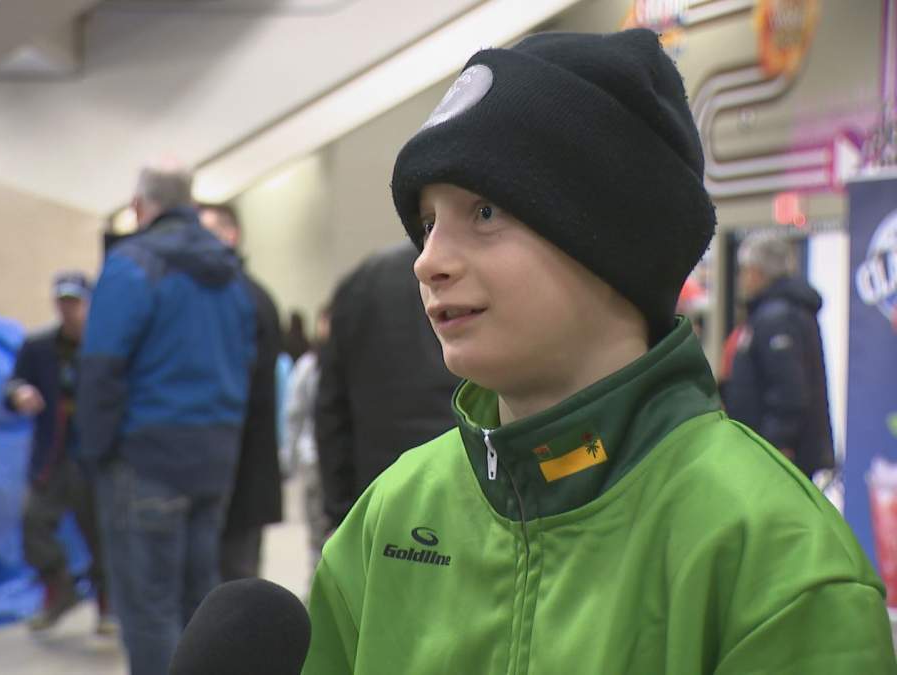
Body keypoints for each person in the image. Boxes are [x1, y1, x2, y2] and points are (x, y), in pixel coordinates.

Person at [303, 29, 897, 674]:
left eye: (484, 212)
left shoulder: (773, 553)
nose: (430, 261)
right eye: (428, 224)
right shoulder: (393, 514)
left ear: (614, 244)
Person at [77, 161, 255, 675]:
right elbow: (244, 360)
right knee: (199, 604)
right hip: (214, 459)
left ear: (138, 207)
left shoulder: (133, 264)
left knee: (148, 608)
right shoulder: (230, 272)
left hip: (146, 459)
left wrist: (95, 453)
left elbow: (101, 367)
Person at [315, 241, 457, 528]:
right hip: (464, 479)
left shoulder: (361, 282)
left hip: (377, 491)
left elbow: (331, 408)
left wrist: (339, 509)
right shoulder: (467, 275)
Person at [5, 272, 111, 633]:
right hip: (52, 458)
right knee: (33, 523)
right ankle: (59, 586)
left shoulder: (104, 347)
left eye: (75, 302)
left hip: (93, 459)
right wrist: (18, 394)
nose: (68, 310)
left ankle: (107, 606)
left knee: (100, 533)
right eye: (62, 302)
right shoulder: (38, 348)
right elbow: (13, 384)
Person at [198, 203, 284, 581]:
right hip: (219, 463)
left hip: (242, 464)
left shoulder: (245, 299)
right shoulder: (219, 297)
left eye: (207, 231)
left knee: (235, 576)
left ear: (231, 235)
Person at [722, 234, 835, 480]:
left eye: (745, 270)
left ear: (758, 272)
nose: (742, 278)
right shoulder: (776, 313)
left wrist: (772, 445)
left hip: (776, 457)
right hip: (769, 451)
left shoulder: (777, 317)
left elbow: (789, 391)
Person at [283, 305, 331, 572]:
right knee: (317, 530)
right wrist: (288, 459)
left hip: (322, 456)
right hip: (313, 457)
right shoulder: (309, 366)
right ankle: (318, 584)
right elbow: (294, 414)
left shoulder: (313, 365)